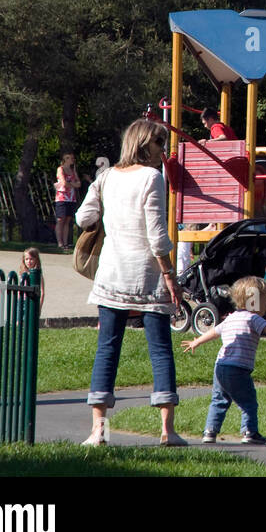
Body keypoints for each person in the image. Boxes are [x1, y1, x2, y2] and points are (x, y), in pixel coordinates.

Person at [76, 117, 185, 447]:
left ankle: (99, 432)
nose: (163, 152)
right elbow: (157, 235)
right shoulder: (152, 178)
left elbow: (83, 218)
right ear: (143, 144)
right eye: (159, 144)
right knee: (161, 350)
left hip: (112, 274)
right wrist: (169, 275)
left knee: (107, 349)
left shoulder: (106, 177)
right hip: (148, 276)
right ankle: (167, 430)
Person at [182, 276, 266, 444]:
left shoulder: (231, 317)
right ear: (254, 300)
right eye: (265, 300)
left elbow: (214, 332)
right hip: (239, 369)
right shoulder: (254, 319)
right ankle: (249, 432)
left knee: (219, 400)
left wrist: (196, 342)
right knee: (248, 401)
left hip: (220, 367)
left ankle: (209, 431)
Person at [53, 153, 82, 252]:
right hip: (62, 197)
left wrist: (70, 184)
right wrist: (72, 184)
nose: (72, 160)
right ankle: (59, 242)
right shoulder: (60, 169)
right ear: (65, 159)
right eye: (70, 158)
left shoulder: (73, 170)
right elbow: (63, 182)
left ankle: (65, 243)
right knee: (61, 220)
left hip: (71, 198)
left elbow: (79, 183)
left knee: (67, 220)